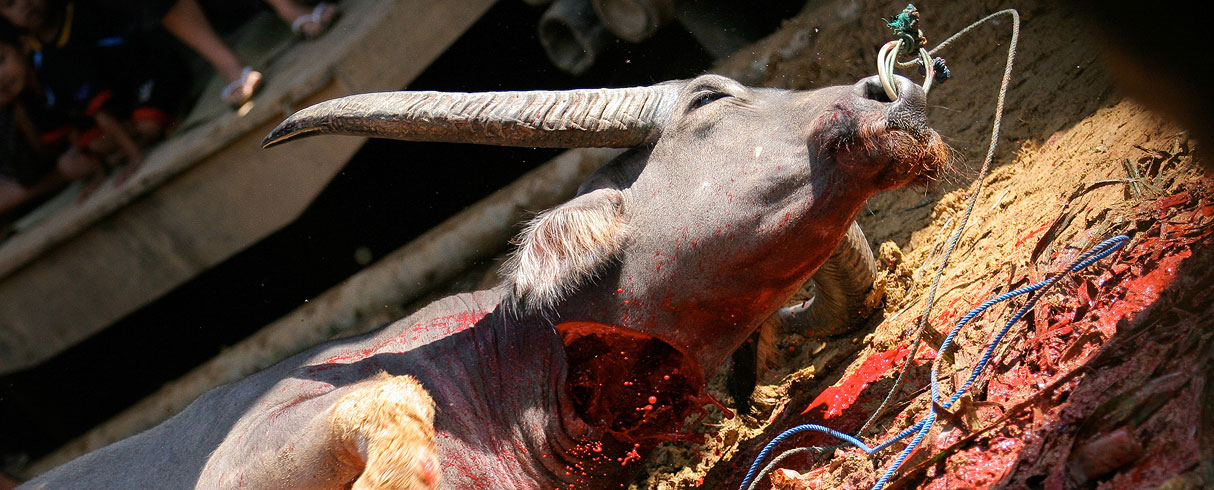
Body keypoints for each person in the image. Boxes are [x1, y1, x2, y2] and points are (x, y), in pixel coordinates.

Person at [0, 19, 103, 221]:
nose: (0, 78)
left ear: (23, 46)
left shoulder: (54, 69)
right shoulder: (21, 105)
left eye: (1, 60)